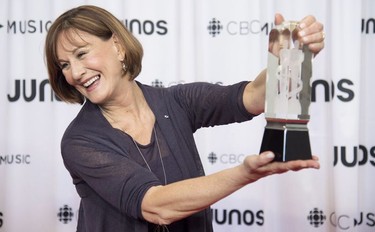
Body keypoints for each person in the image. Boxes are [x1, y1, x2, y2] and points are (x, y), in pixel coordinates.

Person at [45, 5, 324, 232]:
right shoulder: (80, 140)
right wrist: (243, 174)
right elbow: (154, 205)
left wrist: (290, 57)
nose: (76, 72)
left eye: (82, 54)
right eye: (65, 65)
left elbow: (253, 95)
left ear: (118, 47)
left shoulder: (176, 102)